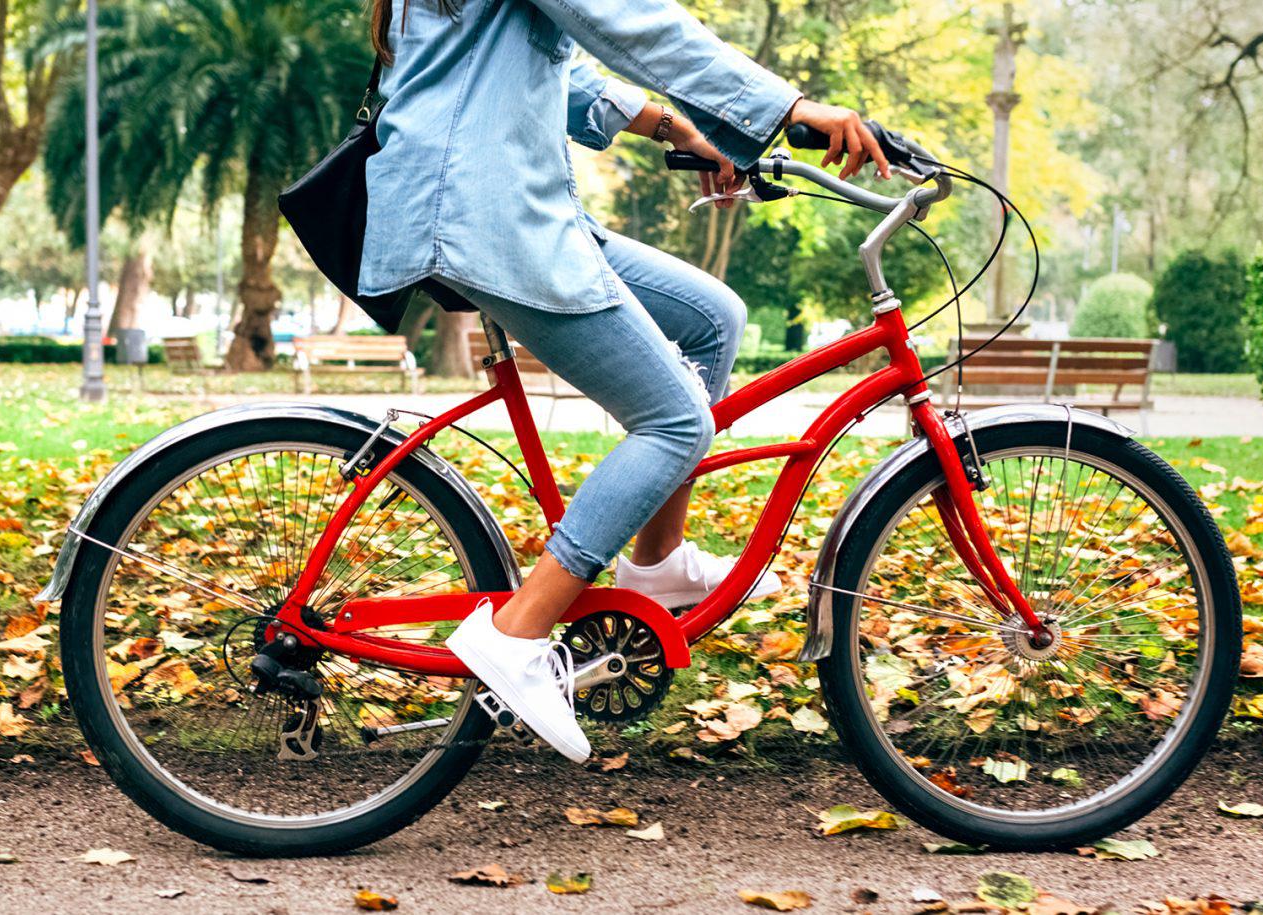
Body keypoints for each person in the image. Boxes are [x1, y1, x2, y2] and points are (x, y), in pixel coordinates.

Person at [360, 0, 889, 763]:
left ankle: (657, 562)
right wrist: (790, 107)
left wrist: (682, 130)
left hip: (500, 203)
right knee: (677, 420)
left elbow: (554, 72)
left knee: (712, 319)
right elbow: (634, 24)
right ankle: (518, 634)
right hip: (487, 214)